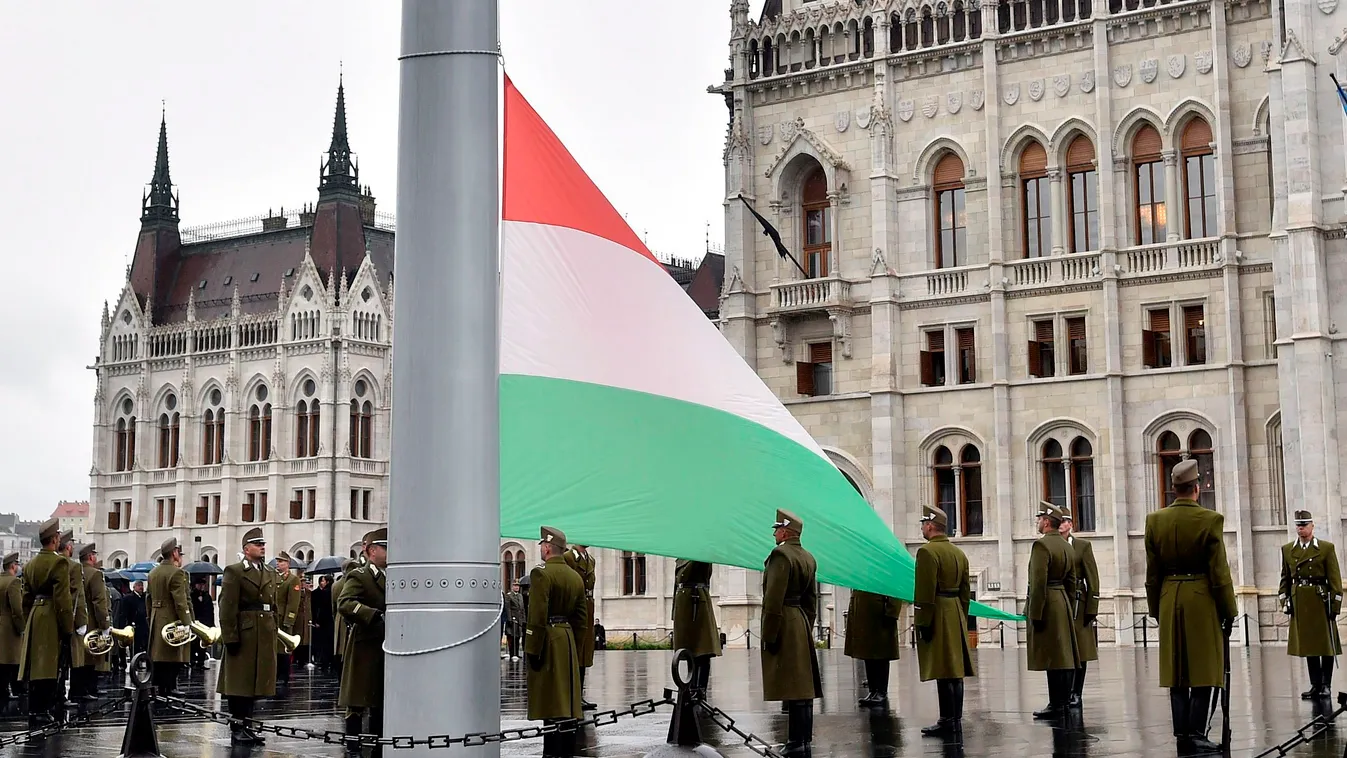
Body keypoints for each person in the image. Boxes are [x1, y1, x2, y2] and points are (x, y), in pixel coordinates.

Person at [1144, 458, 1237, 754]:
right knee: (1202, 668)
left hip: (1169, 597)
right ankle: (1196, 732)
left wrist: (1157, 609)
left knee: (1177, 670)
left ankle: (1181, 732)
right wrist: (1229, 611)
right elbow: (1219, 573)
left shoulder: (1154, 520)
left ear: (1174, 489)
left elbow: (1152, 574)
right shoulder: (1210, 520)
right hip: (1201, 598)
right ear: (1196, 488)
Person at [761, 509, 822, 758]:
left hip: (785, 619)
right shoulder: (807, 557)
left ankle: (796, 741)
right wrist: (806, 623)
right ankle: (803, 739)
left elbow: (773, 599)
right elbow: (811, 599)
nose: (774, 532)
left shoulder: (780, 555)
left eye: (777, 529)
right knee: (803, 685)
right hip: (800, 621)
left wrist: (769, 634)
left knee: (793, 684)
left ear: (786, 531)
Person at [915, 506, 974, 740]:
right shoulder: (959, 553)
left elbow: (925, 591)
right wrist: (961, 615)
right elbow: (966, 592)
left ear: (930, 526)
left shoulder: (927, 552)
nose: (921, 528)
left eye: (923, 524)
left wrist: (922, 621)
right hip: (956, 612)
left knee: (943, 669)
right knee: (955, 672)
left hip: (938, 611)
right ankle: (955, 719)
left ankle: (946, 720)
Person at [526, 526, 586, 758]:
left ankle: (551, 752)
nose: (541, 548)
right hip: (567, 639)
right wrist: (575, 646)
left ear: (549, 547)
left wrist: (532, 649)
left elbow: (537, 616)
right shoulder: (575, 577)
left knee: (550, 700)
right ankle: (567, 749)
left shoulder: (541, 574)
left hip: (548, 639)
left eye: (542, 544)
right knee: (566, 701)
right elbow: (581, 620)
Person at [217, 527, 278, 746]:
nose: (262, 547)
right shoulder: (235, 571)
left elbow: (274, 605)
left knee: (255, 683)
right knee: (239, 684)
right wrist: (230, 636)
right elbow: (227, 606)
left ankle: (248, 726)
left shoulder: (269, 572)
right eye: (257, 544)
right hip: (245, 632)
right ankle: (237, 728)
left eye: (263, 544)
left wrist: (275, 628)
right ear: (246, 549)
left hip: (263, 632)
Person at [1279, 509, 1343, 700]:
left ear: (1312, 526)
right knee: (1309, 646)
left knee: (1326, 646)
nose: (1301, 529)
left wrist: (1335, 605)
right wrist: (1285, 600)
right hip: (1301, 601)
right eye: (1298, 525)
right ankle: (1315, 684)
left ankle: (1326, 685)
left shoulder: (1325, 549)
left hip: (1320, 601)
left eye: (1304, 525)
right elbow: (1285, 579)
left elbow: (1335, 581)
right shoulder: (1288, 550)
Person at [1027, 502, 1080, 721]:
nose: (1038, 522)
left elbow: (1038, 582)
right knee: (1063, 656)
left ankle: (1056, 704)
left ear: (1047, 522)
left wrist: (1035, 613)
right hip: (1063, 601)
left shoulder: (1042, 546)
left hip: (1048, 601)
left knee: (1052, 657)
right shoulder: (1067, 546)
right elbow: (1072, 581)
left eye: (1040, 518)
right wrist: (1068, 604)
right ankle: (1063, 702)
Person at [18, 518, 72, 728]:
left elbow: (25, 597)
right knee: (49, 665)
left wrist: (27, 620)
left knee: (36, 666)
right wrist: (67, 628)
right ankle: (42, 709)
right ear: (55, 538)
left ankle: (35, 708)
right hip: (50, 615)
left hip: (35, 614)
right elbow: (63, 600)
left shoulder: (31, 564)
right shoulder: (59, 562)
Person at [339, 528, 388, 753]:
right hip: (365, 642)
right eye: (385, 548)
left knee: (380, 696)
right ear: (370, 551)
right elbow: (345, 602)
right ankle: (352, 742)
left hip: (387, 643)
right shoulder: (360, 575)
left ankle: (379, 740)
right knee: (358, 696)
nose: (391, 552)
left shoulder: (394, 576)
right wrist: (372, 614)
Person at [1061, 513, 1099, 707]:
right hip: (1059, 599)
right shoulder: (1050, 545)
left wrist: (1092, 607)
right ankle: (1063, 692)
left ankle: (1077, 692)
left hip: (1078, 601)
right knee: (1062, 647)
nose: (1061, 525)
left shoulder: (1082, 546)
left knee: (1081, 649)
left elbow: (1092, 577)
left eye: (1064, 521)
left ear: (1070, 524)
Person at [147, 537, 192, 696]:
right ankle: (170, 686)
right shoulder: (177, 573)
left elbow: (148, 598)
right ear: (174, 553)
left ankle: (158, 686)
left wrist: (150, 617)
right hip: (171, 617)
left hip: (155, 616)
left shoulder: (153, 572)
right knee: (173, 653)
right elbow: (180, 601)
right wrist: (188, 622)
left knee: (158, 655)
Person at [672, 559, 722, 702]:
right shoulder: (680, 558)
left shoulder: (701, 555)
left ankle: (701, 688)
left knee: (703, 648)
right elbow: (675, 586)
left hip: (697, 601)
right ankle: (691, 685)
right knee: (690, 649)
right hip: (684, 604)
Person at [844, 587, 901, 709]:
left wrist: (892, 612)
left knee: (881, 654)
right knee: (867, 652)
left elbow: (896, 589)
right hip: (864, 613)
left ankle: (881, 691)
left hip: (880, 614)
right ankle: (873, 689)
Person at [563, 543, 597, 710]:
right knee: (576, 650)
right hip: (576, 607)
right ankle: (573, 696)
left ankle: (580, 695)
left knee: (584, 652)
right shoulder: (568, 557)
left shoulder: (591, 559)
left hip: (588, 606)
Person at [73, 543, 109, 701]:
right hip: (92, 621)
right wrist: (105, 624)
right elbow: (99, 602)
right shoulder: (95, 574)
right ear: (90, 557)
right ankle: (86, 689)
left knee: (78, 658)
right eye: (94, 555)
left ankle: (79, 689)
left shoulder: (76, 571)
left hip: (77, 619)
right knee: (92, 656)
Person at [58, 532, 85, 708]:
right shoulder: (72, 566)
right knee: (64, 661)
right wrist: (81, 622)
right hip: (67, 618)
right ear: (68, 546)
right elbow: (77, 597)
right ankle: (60, 695)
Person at [0, 552, 24, 708]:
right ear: (13, 566)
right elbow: (17, 609)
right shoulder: (13, 582)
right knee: (11, 662)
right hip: (9, 629)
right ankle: (13, 692)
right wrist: (21, 628)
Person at [274, 551, 299, 686]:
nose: (279, 564)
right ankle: (276, 675)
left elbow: (293, 602)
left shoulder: (292, 579)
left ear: (288, 564)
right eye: (278, 562)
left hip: (283, 618)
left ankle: (283, 676)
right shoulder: (275, 577)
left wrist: (289, 620)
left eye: (281, 562)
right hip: (274, 618)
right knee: (274, 649)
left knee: (283, 649)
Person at [332, 560, 357, 676]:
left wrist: (336, 617)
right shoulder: (354, 582)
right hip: (352, 616)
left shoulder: (335, 585)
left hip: (339, 617)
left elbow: (333, 605)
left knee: (339, 648)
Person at [190, 575, 215, 670]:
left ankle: (201, 662)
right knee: (193, 643)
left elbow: (210, 611)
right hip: (196, 624)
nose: (201, 586)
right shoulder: (192, 596)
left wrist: (211, 624)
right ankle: (192, 661)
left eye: (202, 584)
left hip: (206, 624)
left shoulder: (207, 596)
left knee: (203, 644)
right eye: (199, 584)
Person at [312, 575, 334, 673]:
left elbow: (321, 609)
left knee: (324, 644)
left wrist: (317, 621)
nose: (322, 582)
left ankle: (324, 663)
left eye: (324, 581)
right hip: (331, 621)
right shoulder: (333, 591)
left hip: (325, 622)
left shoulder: (325, 592)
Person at [294, 569, 313, 670]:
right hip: (299, 619)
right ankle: (298, 659)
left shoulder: (309, 593)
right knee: (299, 639)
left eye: (304, 582)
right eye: (302, 582)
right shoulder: (297, 593)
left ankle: (305, 658)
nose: (304, 584)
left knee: (307, 639)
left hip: (307, 619)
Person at [505, 581, 525, 662]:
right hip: (513, 619)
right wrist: (510, 618)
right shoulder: (509, 596)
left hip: (519, 619)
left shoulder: (520, 596)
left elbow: (522, 608)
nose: (517, 587)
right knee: (512, 637)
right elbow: (508, 608)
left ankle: (516, 653)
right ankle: (512, 653)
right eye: (515, 586)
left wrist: (523, 619)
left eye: (518, 586)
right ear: (512, 587)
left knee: (517, 637)